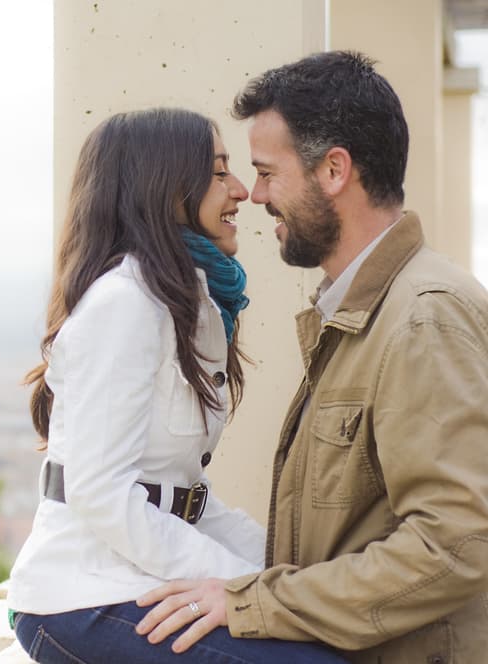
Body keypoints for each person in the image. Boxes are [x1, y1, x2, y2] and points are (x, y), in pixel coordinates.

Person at [135, 51, 488, 664]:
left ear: (333, 170)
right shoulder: (360, 313)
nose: (255, 194)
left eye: (269, 173)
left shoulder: (424, 315)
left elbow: (456, 543)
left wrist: (254, 604)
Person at [6, 107, 347, 663]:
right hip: (81, 598)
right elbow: (101, 494)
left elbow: (183, 497)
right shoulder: (124, 303)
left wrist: (282, 574)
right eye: (217, 173)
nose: (240, 190)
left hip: (137, 579)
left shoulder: (185, 302)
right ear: (164, 189)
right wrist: (247, 588)